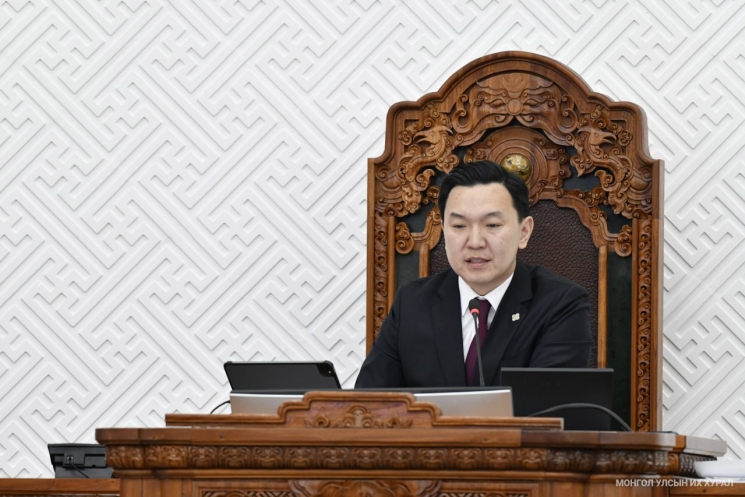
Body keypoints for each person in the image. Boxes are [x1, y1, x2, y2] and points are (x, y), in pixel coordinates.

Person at [355, 160, 592, 388]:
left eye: (492, 225)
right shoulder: (412, 303)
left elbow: (549, 408)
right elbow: (370, 402)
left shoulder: (561, 304)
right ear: (443, 230)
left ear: (524, 232)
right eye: (459, 226)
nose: (475, 242)